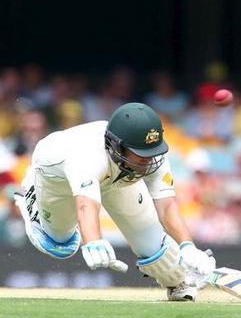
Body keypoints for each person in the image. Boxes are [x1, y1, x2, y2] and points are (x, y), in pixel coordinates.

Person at [13, 102, 216, 301]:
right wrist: (93, 241)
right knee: (59, 243)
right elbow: (86, 204)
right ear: (116, 146)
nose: (148, 162)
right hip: (57, 177)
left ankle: (179, 281)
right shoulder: (87, 156)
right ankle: (33, 196)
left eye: (151, 154)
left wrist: (187, 246)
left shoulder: (152, 154)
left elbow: (167, 205)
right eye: (140, 155)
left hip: (117, 177)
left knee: (152, 243)